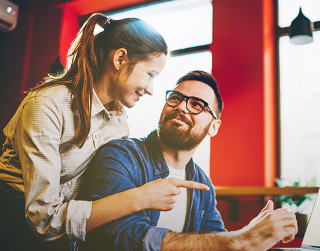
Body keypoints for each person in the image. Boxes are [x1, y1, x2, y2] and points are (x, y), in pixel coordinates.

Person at [0, 14, 208, 250]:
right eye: (150, 75)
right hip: (11, 220)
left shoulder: (119, 123)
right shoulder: (47, 105)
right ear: (120, 58)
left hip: (62, 231)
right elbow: (44, 220)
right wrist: (142, 197)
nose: (151, 90)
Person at [80, 70, 298, 251]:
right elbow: (114, 239)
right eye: (175, 98)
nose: (181, 107)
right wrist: (240, 240)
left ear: (214, 127)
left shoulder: (202, 182)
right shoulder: (120, 155)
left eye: (197, 105)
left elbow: (215, 239)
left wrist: (253, 234)